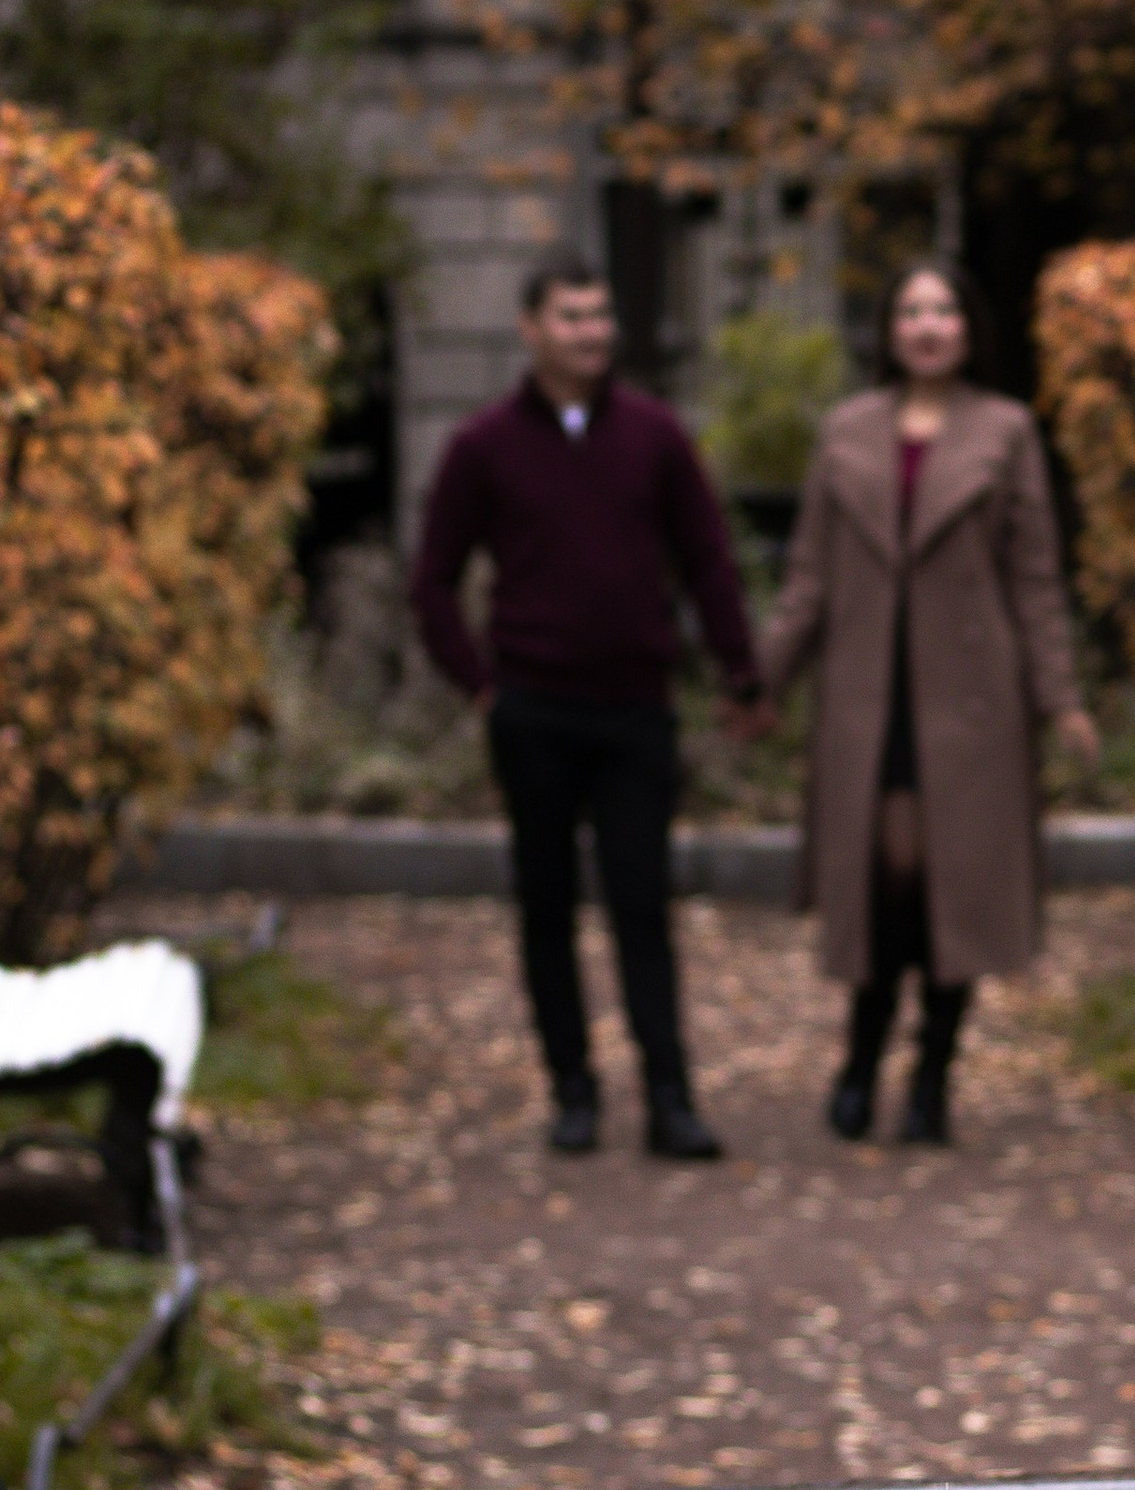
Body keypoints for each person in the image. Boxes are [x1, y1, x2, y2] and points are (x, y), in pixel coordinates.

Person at [411, 248, 761, 1161]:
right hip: (531, 712)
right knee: (547, 907)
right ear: (531, 329)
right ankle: (573, 1091)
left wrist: (739, 672)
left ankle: (669, 1096)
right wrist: (480, 684)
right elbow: (433, 581)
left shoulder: (655, 435)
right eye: (571, 317)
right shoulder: (483, 445)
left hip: (635, 712)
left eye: (601, 316)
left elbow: (708, 561)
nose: (592, 333)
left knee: (643, 908)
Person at [753, 264, 1097, 1146]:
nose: (929, 323)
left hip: (972, 706)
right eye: (911, 309)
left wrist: (1060, 700)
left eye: (945, 307)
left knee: (957, 889)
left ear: (969, 327)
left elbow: (1035, 580)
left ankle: (935, 1074)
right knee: (882, 882)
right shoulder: (846, 432)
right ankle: (862, 1060)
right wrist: (759, 679)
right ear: (888, 328)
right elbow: (806, 581)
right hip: (867, 703)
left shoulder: (1006, 430)